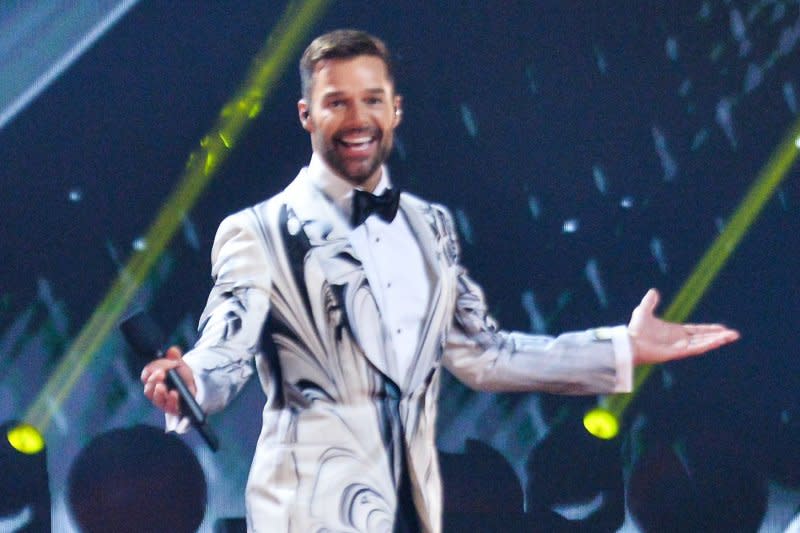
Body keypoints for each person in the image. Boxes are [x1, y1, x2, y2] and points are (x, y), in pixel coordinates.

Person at [141, 29, 740, 533]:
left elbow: (485, 355)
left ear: (393, 111)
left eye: (371, 100)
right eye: (336, 102)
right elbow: (227, 344)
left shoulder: (427, 228)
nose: (357, 119)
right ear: (308, 115)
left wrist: (620, 348)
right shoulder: (256, 230)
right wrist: (192, 378)